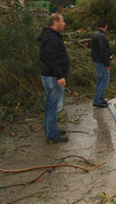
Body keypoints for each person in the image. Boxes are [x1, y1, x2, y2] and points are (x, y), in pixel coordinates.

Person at [39, 13, 69, 143]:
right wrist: (60, 76)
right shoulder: (51, 38)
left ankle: (52, 129)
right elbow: (52, 58)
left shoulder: (51, 36)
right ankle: (52, 135)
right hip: (52, 77)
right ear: (55, 22)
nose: (64, 24)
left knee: (51, 105)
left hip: (51, 75)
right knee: (53, 105)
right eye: (62, 21)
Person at [92, 19, 112, 108]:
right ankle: (97, 100)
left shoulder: (95, 34)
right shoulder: (101, 36)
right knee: (104, 81)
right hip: (101, 62)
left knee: (100, 81)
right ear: (106, 26)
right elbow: (102, 51)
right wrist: (107, 64)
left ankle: (99, 98)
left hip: (96, 60)